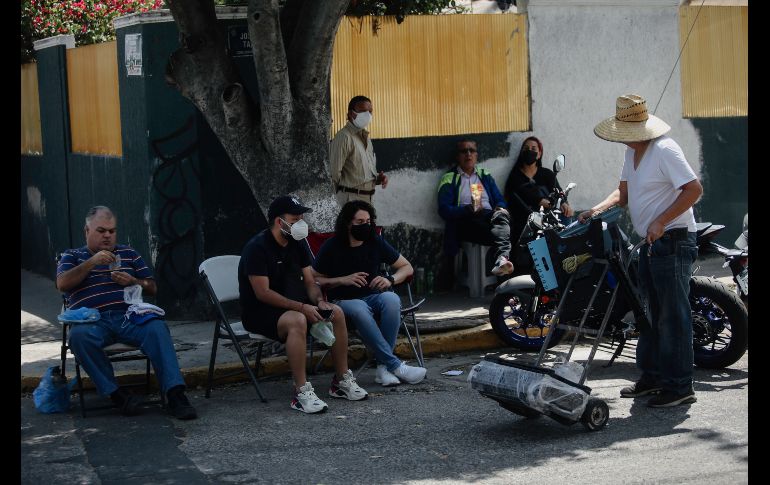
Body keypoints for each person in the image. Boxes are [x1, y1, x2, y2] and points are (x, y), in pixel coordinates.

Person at [578, 94, 703, 408]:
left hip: (673, 241)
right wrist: (595, 209)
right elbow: (622, 195)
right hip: (649, 245)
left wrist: (661, 220)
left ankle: (679, 386)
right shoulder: (630, 155)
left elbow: (694, 190)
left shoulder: (665, 150)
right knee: (648, 314)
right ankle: (652, 376)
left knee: (672, 316)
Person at [56, 206, 197, 420]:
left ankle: (175, 394)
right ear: (87, 231)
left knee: (157, 328)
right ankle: (117, 396)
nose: (107, 236)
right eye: (101, 230)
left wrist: (133, 281)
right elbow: (62, 283)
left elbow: (152, 288)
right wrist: (91, 262)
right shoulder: (72, 256)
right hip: (93, 320)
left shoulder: (128, 253)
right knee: (78, 337)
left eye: (112, 231)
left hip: (129, 316)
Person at [238, 195, 369, 414]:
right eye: (295, 218)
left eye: (301, 217)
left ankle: (341, 381)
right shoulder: (257, 248)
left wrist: (318, 301)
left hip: (295, 305)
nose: (301, 222)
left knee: (335, 312)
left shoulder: (298, 244)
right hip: (259, 312)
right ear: (280, 222)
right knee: (297, 320)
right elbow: (263, 293)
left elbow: (310, 281)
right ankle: (301, 392)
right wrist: (302, 307)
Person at [311, 200, 427, 387]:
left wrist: (390, 279)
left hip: (372, 296)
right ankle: (394, 365)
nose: (365, 226)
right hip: (342, 300)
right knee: (359, 307)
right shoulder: (332, 246)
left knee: (391, 299)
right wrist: (342, 279)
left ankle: (383, 368)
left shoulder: (374, 240)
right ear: (348, 223)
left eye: (368, 221)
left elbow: (406, 267)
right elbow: (313, 280)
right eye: (359, 222)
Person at [437, 139, 514, 278]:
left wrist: (499, 208)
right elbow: (444, 210)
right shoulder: (449, 178)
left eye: (471, 150)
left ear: (476, 155)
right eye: (464, 151)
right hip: (465, 220)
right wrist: (467, 210)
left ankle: (502, 260)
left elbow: (500, 200)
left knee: (504, 218)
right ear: (457, 156)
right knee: (501, 230)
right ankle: (501, 264)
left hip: (489, 216)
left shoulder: (484, 175)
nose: (468, 154)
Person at [504, 136, 574, 247]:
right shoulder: (515, 177)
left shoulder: (547, 174)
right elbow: (529, 196)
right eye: (526, 148)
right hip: (526, 225)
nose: (529, 151)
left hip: (549, 221)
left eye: (533, 149)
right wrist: (547, 203)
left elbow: (558, 191)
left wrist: (564, 203)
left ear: (539, 154)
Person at [330, 95, 389, 207]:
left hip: (368, 199)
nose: (368, 115)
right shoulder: (344, 137)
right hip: (351, 199)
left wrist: (377, 178)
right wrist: (343, 194)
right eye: (363, 111)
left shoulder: (365, 137)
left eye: (370, 111)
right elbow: (334, 174)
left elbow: (360, 172)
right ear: (351, 114)